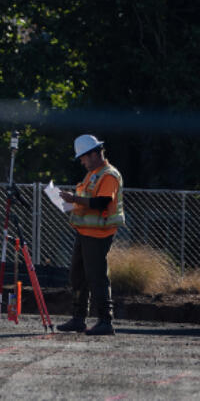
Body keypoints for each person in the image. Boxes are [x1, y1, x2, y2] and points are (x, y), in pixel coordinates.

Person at [57, 134, 125, 336]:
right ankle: (79, 318)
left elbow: (102, 202)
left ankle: (106, 321)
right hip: (85, 232)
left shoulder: (109, 175)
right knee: (77, 275)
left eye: (83, 158)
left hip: (99, 233)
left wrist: (74, 198)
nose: (82, 161)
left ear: (94, 154)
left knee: (96, 276)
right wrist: (70, 203)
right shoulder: (93, 174)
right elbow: (87, 201)